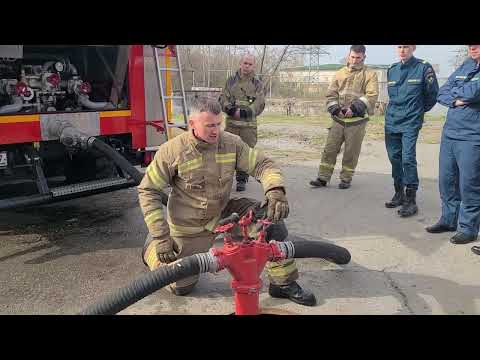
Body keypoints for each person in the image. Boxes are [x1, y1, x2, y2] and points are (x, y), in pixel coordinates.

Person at [137, 97, 316, 306]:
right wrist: (160, 237)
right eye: (209, 126)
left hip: (223, 213)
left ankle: (283, 284)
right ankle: (150, 248)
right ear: (192, 124)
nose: (215, 131)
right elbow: (148, 190)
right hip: (189, 227)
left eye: (218, 124)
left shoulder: (231, 143)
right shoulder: (172, 151)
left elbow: (263, 165)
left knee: (270, 221)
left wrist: (275, 189)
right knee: (181, 287)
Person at [426, 45, 480, 246]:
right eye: (470, 45)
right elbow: (442, 93)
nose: (472, 48)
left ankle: (468, 228)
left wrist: (458, 94)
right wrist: (458, 99)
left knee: (470, 184)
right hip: (450, 134)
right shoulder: (466, 65)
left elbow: (475, 92)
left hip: (473, 135)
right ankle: (449, 220)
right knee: (447, 180)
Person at [310, 45, 378, 189]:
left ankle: (346, 179)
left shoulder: (370, 74)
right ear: (348, 56)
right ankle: (323, 177)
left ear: (364, 57)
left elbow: (371, 95)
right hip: (338, 120)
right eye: (352, 57)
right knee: (330, 149)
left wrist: (354, 108)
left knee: (351, 152)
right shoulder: (340, 73)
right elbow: (331, 95)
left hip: (357, 122)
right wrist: (335, 109)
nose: (355, 60)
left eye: (358, 58)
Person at [384, 45, 439, 217]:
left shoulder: (423, 67)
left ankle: (411, 199)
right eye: (399, 46)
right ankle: (398, 192)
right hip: (392, 120)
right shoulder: (392, 70)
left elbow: (432, 95)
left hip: (410, 121)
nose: (402, 50)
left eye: (406, 46)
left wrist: (418, 111)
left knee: (408, 158)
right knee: (394, 157)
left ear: (413, 48)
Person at [219, 53, 265, 192]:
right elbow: (223, 98)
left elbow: (260, 102)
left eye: (250, 64)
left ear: (253, 66)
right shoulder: (231, 81)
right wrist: (230, 109)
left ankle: (241, 179)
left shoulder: (257, 84)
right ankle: (225, 179)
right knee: (227, 152)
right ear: (240, 64)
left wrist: (246, 112)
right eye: (245, 63)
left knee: (245, 153)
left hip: (248, 128)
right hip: (232, 125)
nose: (247, 66)